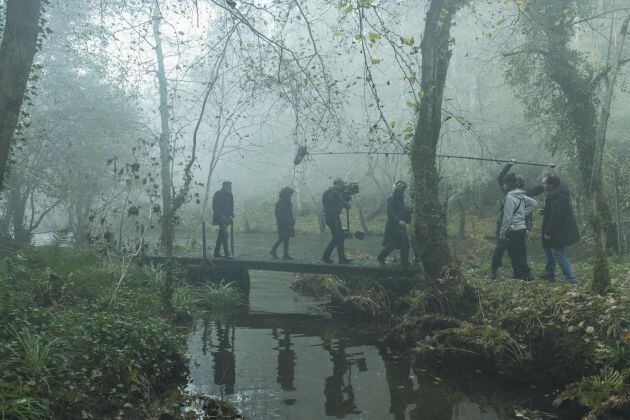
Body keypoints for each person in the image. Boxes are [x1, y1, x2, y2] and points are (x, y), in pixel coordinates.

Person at [489, 161, 545, 279]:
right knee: (509, 250)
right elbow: (501, 178)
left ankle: (520, 273)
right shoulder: (516, 192)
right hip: (519, 226)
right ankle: (497, 271)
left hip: (513, 227)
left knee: (515, 251)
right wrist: (509, 165)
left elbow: (541, 187)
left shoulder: (520, 193)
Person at [540, 175, 580, 283]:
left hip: (560, 230)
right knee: (556, 252)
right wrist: (545, 211)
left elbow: (556, 215)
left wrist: (548, 231)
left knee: (558, 253)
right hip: (559, 229)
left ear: (551, 185)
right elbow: (555, 211)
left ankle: (571, 278)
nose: (543, 185)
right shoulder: (556, 195)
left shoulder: (558, 196)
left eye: (544, 183)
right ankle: (552, 274)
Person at [499, 173, 538, 280]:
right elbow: (534, 203)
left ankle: (521, 275)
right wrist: (522, 214)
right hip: (522, 228)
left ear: (509, 184)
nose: (503, 186)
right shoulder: (520, 194)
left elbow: (507, 218)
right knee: (521, 252)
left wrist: (502, 233)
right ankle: (525, 274)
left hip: (513, 229)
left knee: (514, 253)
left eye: (504, 184)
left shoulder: (510, 197)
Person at [377, 181, 411, 267]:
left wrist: (410, 210)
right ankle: (381, 258)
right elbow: (390, 213)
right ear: (399, 189)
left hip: (401, 225)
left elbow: (402, 209)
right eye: (403, 189)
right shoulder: (391, 199)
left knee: (405, 244)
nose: (404, 191)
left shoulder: (401, 199)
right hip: (393, 225)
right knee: (392, 244)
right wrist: (398, 220)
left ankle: (404, 262)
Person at [321, 178, 351, 264]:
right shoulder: (335, 193)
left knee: (340, 237)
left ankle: (341, 258)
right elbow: (346, 205)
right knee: (337, 237)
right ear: (337, 184)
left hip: (329, 218)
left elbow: (333, 203)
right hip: (334, 219)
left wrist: (343, 194)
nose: (343, 186)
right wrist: (348, 199)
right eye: (342, 184)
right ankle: (326, 257)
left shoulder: (326, 192)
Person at [270, 187, 296, 260]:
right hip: (282, 223)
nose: (291, 196)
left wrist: (292, 219)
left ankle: (286, 254)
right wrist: (285, 220)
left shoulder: (288, 202)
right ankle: (273, 250)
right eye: (290, 194)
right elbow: (278, 214)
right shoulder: (280, 203)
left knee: (287, 238)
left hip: (288, 222)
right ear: (286, 194)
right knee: (282, 238)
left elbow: (290, 213)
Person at [212, 181, 234, 258]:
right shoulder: (218, 194)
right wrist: (221, 215)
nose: (230, 188)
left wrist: (232, 215)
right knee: (225, 234)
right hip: (220, 217)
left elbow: (231, 206)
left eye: (230, 187)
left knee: (221, 235)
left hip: (227, 218)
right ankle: (227, 253)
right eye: (229, 187)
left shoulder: (230, 195)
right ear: (224, 186)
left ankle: (216, 252)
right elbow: (215, 206)